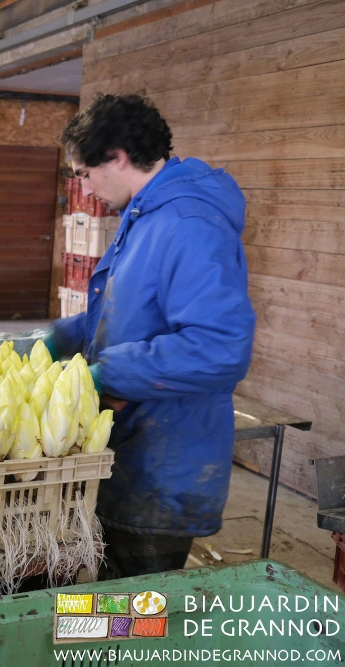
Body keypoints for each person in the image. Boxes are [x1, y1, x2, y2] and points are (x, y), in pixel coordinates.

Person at [46, 94, 256, 578]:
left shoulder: (188, 224)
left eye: (84, 172)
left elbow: (219, 346)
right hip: (133, 452)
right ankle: (95, 650)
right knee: (103, 601)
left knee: (137, 610)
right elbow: (131, 314)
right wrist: (60, 338)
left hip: (165, 466)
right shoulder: (146, 216)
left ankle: (115, 652)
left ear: (117, 157)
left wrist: (106, 374)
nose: (85, 186)